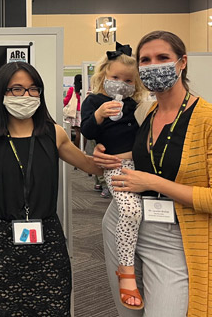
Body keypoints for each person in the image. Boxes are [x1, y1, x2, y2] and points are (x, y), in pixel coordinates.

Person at [94, 30, 212, 317]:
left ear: (182, 62)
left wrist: (154, 182)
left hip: (174, 235)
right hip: (124, 223)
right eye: (144, 60)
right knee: (129, 313)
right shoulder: (146, 113)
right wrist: (107, 157)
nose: (152, 66)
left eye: (162, 58)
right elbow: (148, 156)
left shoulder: (206, 120)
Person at [0, 61, 100, 316]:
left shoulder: (54, 133)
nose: (27, 95)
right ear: (2, 93)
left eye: (33, 89)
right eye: (17, 89)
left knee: (52, 309)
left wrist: (104, 151)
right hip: (3, 242)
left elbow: (90, 166)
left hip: (48, 240)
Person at [80, 42, 146, 310]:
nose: (121, 84)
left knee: (145, 213)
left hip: (141, 165)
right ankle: (125, 268)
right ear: (104, 75)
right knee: (130, 211)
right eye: (116, 78)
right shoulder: (94, 101)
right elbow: (86, 132)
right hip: (116, 166)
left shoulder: (135, 104)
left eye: (128, 80)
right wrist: (98, 114)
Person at [63, 74, 82, 148]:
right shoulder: (85, 89)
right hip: (82, 112)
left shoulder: (72, 89)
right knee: (81, 133)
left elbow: (66, 101)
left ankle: (75, 148)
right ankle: (82, 149)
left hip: (74, 112)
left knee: (76, 131)